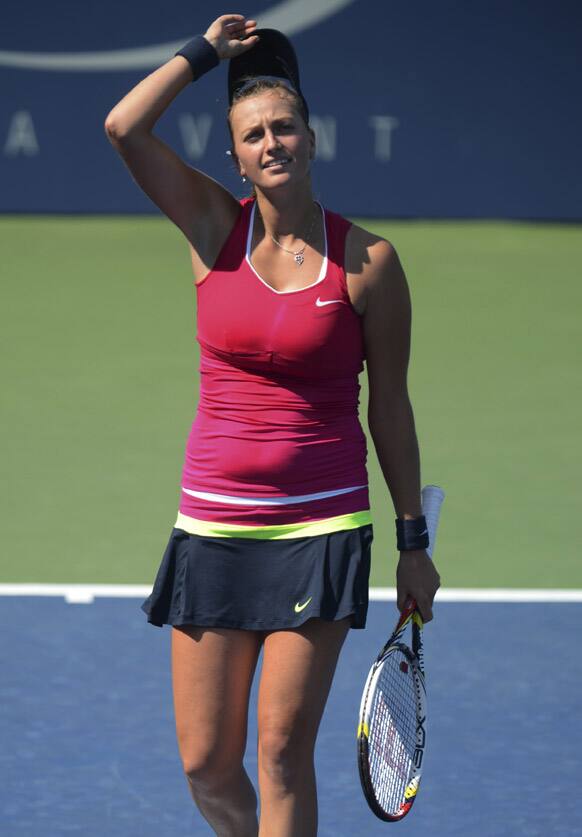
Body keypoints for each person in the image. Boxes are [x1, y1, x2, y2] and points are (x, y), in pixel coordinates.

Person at [104, 13, 440, 837]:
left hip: (320, 526)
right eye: (253, 134)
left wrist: (411, 540)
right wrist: (202, 55)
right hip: (213, 526)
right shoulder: (211, 227)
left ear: (311, 137)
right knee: (206, 763)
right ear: (237, 156)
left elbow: (388, 404)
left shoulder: (369, 262)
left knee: (282, 751)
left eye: (284, 126)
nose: (271, 143)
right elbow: (123, 126)